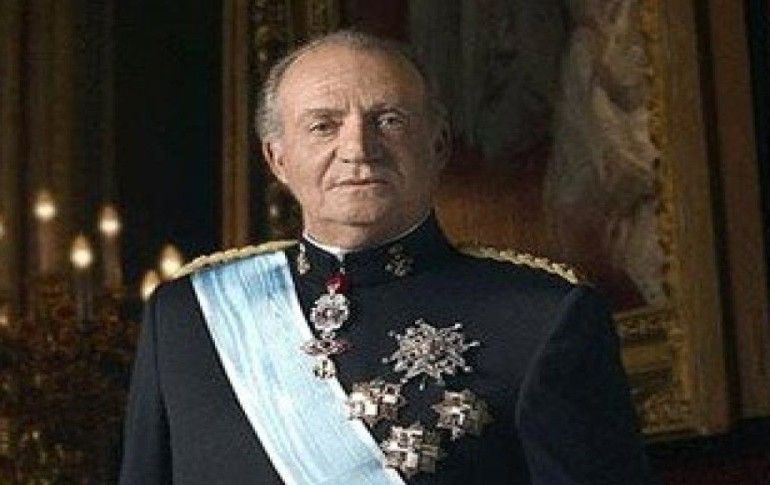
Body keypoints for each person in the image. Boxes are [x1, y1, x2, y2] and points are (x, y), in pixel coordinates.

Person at [119, 30, 651, 485]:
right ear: (277, 158)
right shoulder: (188, 315)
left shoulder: (541, 318)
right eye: (323, 125)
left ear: (438, 145)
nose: (358, 149)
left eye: (389, 120)